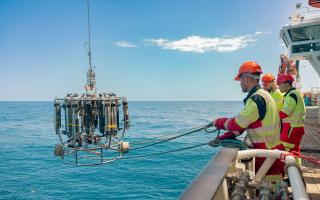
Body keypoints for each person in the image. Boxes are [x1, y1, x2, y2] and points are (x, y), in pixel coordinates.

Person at [209, 61, 284, 182]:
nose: (240, 84)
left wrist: (217, 122)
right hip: (271, 150)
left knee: (269, 188)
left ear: (246, 79)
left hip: (267, 154)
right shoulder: (263, 95)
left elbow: (237, 124)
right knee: (272, 188)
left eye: (240, 80)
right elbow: (243, 126)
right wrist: (222, 138)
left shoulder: (256, 99)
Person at [277, 74, 306, 165]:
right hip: (297, 127)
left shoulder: (291, 95)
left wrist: (271, 116)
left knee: (285, 152)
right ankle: (297, 171)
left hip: (290, 128)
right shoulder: (296, 93)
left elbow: (284, 113)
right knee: (295, 152)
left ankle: (290, 175)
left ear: (286, 84)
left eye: (279, 84)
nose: (278, 86)